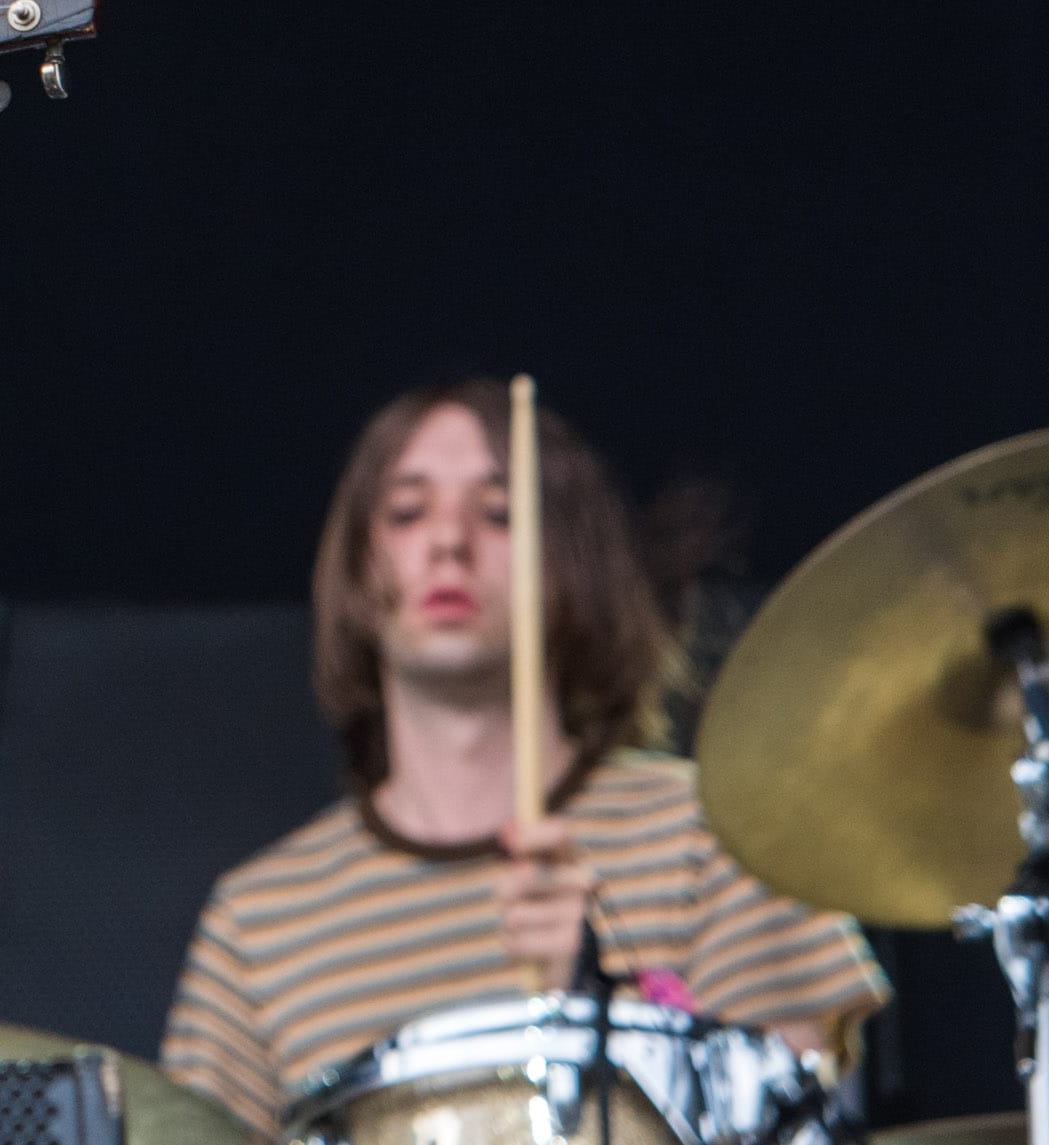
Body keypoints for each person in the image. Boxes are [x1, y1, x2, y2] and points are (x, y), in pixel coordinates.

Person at [159, 381, 887, 1129]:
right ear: (357, 568)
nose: (449, 541)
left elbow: (803, 1108)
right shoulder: (257, 921)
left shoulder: (714, 831)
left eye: (500, 513)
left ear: (571, 561)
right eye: (407, 512)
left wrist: (604, 1005)